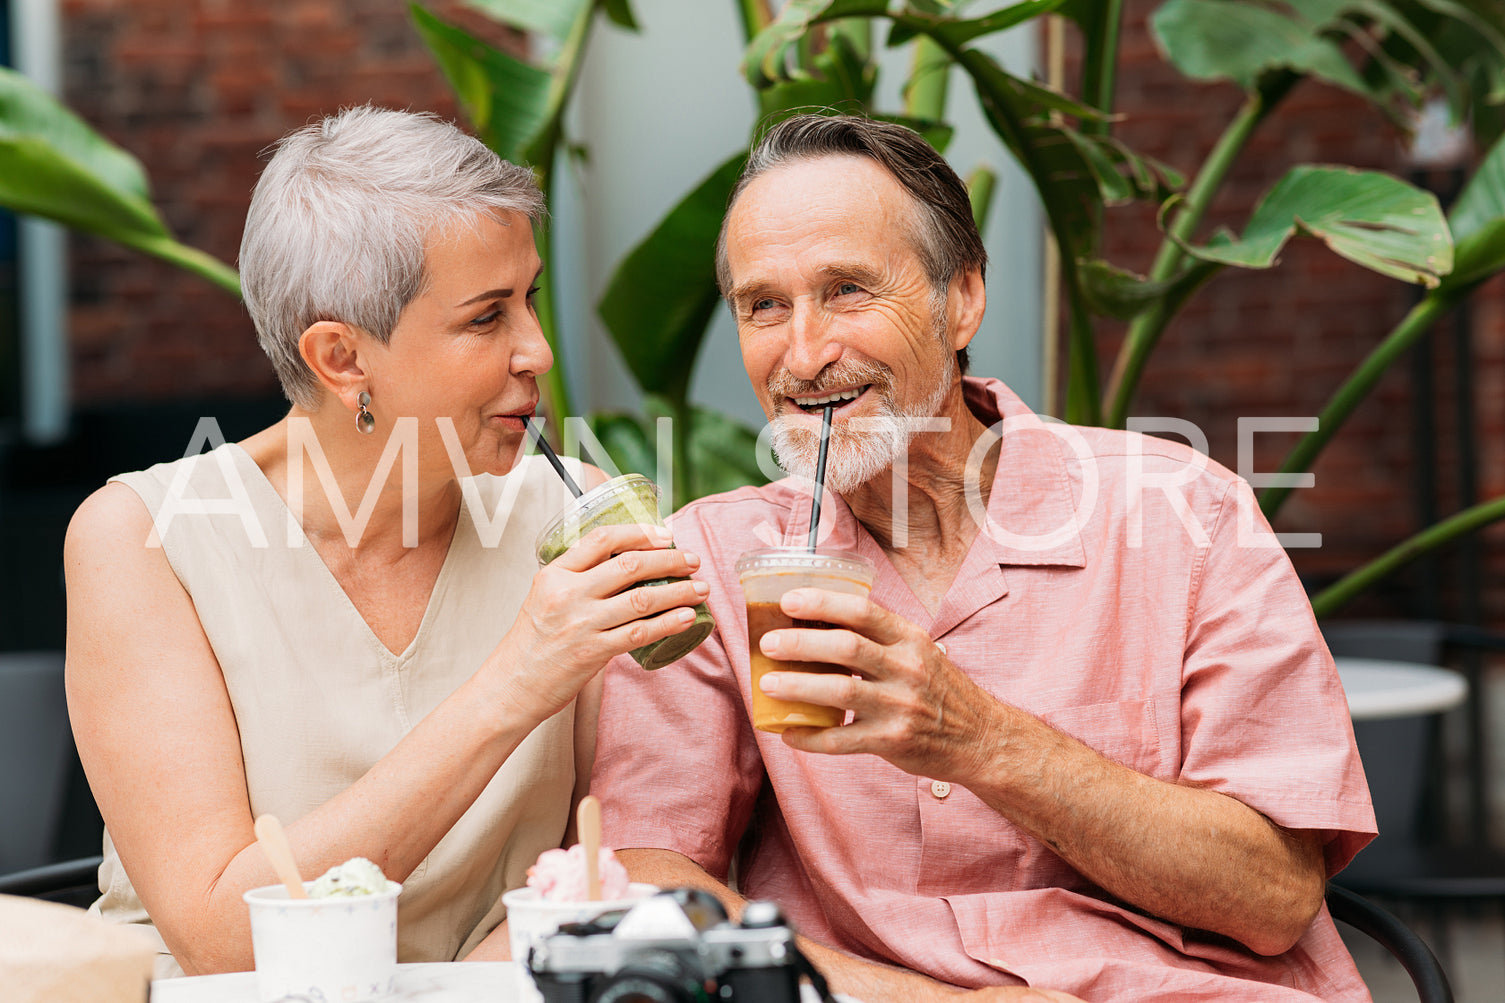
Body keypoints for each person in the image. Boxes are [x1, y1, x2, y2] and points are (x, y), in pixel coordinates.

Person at [592, 113, 1377, 1002]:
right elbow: (648, 869)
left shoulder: (1183, 512)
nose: (802, 355)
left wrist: (978, 738)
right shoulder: (710, 559)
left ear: (960, 298)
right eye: (763, 305)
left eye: (848, 290)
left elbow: (1272, 899)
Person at [63, 106, 708, 977]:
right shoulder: (144, 540)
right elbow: (225, 938)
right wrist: (520, 678)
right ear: (341, 358)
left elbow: (614, 859)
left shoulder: (577, 516)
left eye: (530, 299)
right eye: (486, 318)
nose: (539, 352)